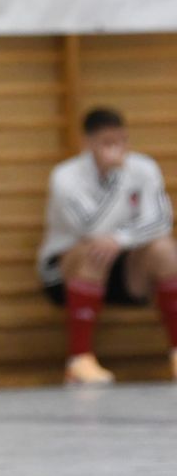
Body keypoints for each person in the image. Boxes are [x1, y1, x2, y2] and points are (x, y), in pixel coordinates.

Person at [38, 107, 177, 385]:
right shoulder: (65, 176)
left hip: (125, 264)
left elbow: (161, 221)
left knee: (164, 250)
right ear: (87, 143)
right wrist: (117, 180)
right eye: (107, 142)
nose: (117, 149)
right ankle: (79, 359)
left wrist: (121, 239)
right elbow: (91, 229)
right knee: (94, 250)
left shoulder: (144, 168)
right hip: (65, 272)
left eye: (122, 140)